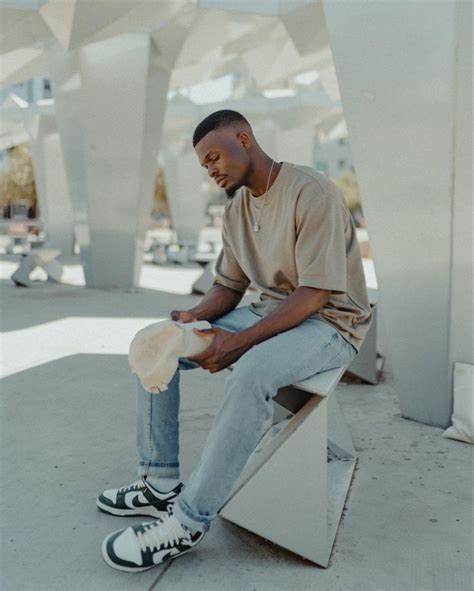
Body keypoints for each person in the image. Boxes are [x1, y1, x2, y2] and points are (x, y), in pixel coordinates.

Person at [99, 110, 372, 572]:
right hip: (271, 311)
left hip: (330, 323)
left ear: (244, 139)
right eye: (204, 165)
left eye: (214, 157)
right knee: (159, 342)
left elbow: (314, 294)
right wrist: (192, 318)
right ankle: (160, 482)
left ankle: (187, 521)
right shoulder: (237, 209)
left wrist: (239, 342)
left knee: (251, 372)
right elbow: (228, 287)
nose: (212, 169)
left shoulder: (312, 192)